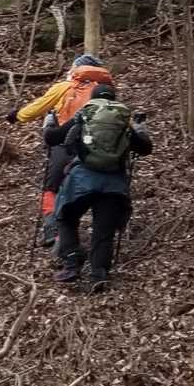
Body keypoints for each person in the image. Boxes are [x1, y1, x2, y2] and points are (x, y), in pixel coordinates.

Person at [46, 82, 152, 294]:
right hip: (113, 185)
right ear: (114, 99)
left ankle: (72, 260)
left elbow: (52, 138)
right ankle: (98, 275)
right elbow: (146, 148)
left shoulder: (84, 115)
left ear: (92, 98)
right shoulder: (122, 122)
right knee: (104, 231)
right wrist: (139, 127)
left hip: (81, 181)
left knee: (65, 216)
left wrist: (50, 122)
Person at [7, 54, 115, 247]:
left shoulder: (66, 87)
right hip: (99, 150)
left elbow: (38, 107)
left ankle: (52, 228)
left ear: (77, 69)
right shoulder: (106, 92)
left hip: (64, 143)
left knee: (52, 187)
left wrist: (17, 116)